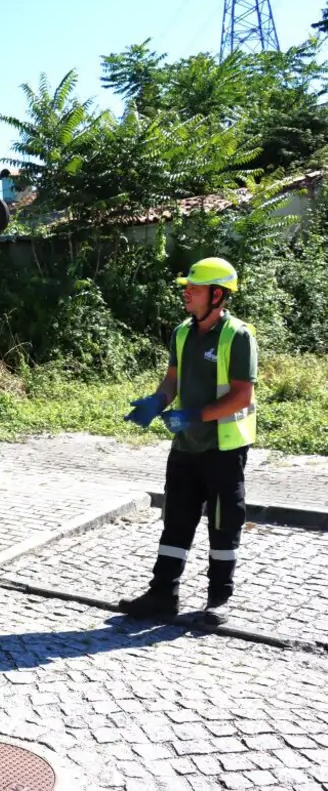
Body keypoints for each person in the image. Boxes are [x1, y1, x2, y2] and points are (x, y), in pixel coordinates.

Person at [119, 257, 258, 626]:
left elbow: (241, 396)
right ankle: (162, 595)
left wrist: (195, 416)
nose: (186, 293)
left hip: (223, 449)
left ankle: (218, 600)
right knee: (176, 520)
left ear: (217, 295)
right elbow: (172, 380)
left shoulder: (238, 336)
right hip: (185, 447)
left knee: (223, 524)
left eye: (194, 288)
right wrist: (157, 401)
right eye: (187, 287)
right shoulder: (181, 332)